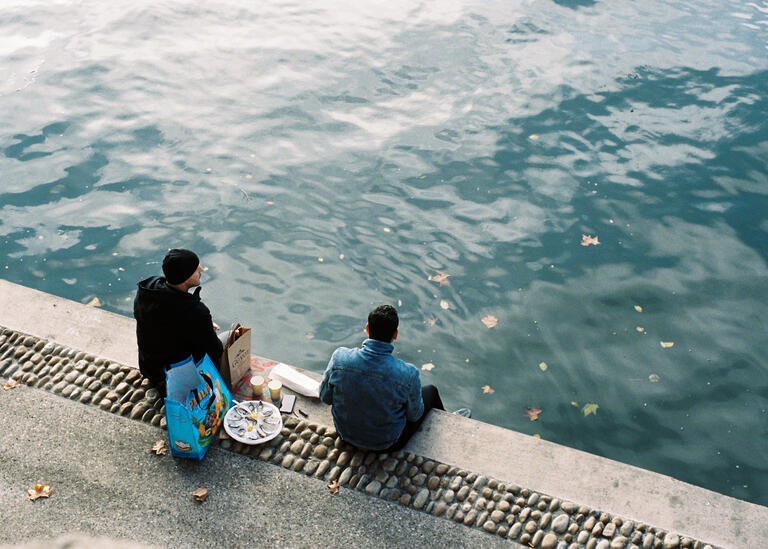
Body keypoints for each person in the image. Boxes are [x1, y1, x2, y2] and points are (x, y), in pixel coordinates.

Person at [319, 304, 470, 452]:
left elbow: (325, 397)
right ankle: (451, 423)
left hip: (345, 435)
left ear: (367, 328)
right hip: (386, 444)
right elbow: (414, 415)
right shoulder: (408, 374)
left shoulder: (339, 358)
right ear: (395, 334)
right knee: (431, 392)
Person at [133, 249, 223, 396]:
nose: (201, 270)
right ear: (186, 277)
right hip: (174, 382)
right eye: (196, 269)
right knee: (227, 337)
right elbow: (216, 351)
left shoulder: (147, 292)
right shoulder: (196, 311)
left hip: (150, 369)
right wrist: (205, 326)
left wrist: (202, 325)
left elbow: (167, 326)